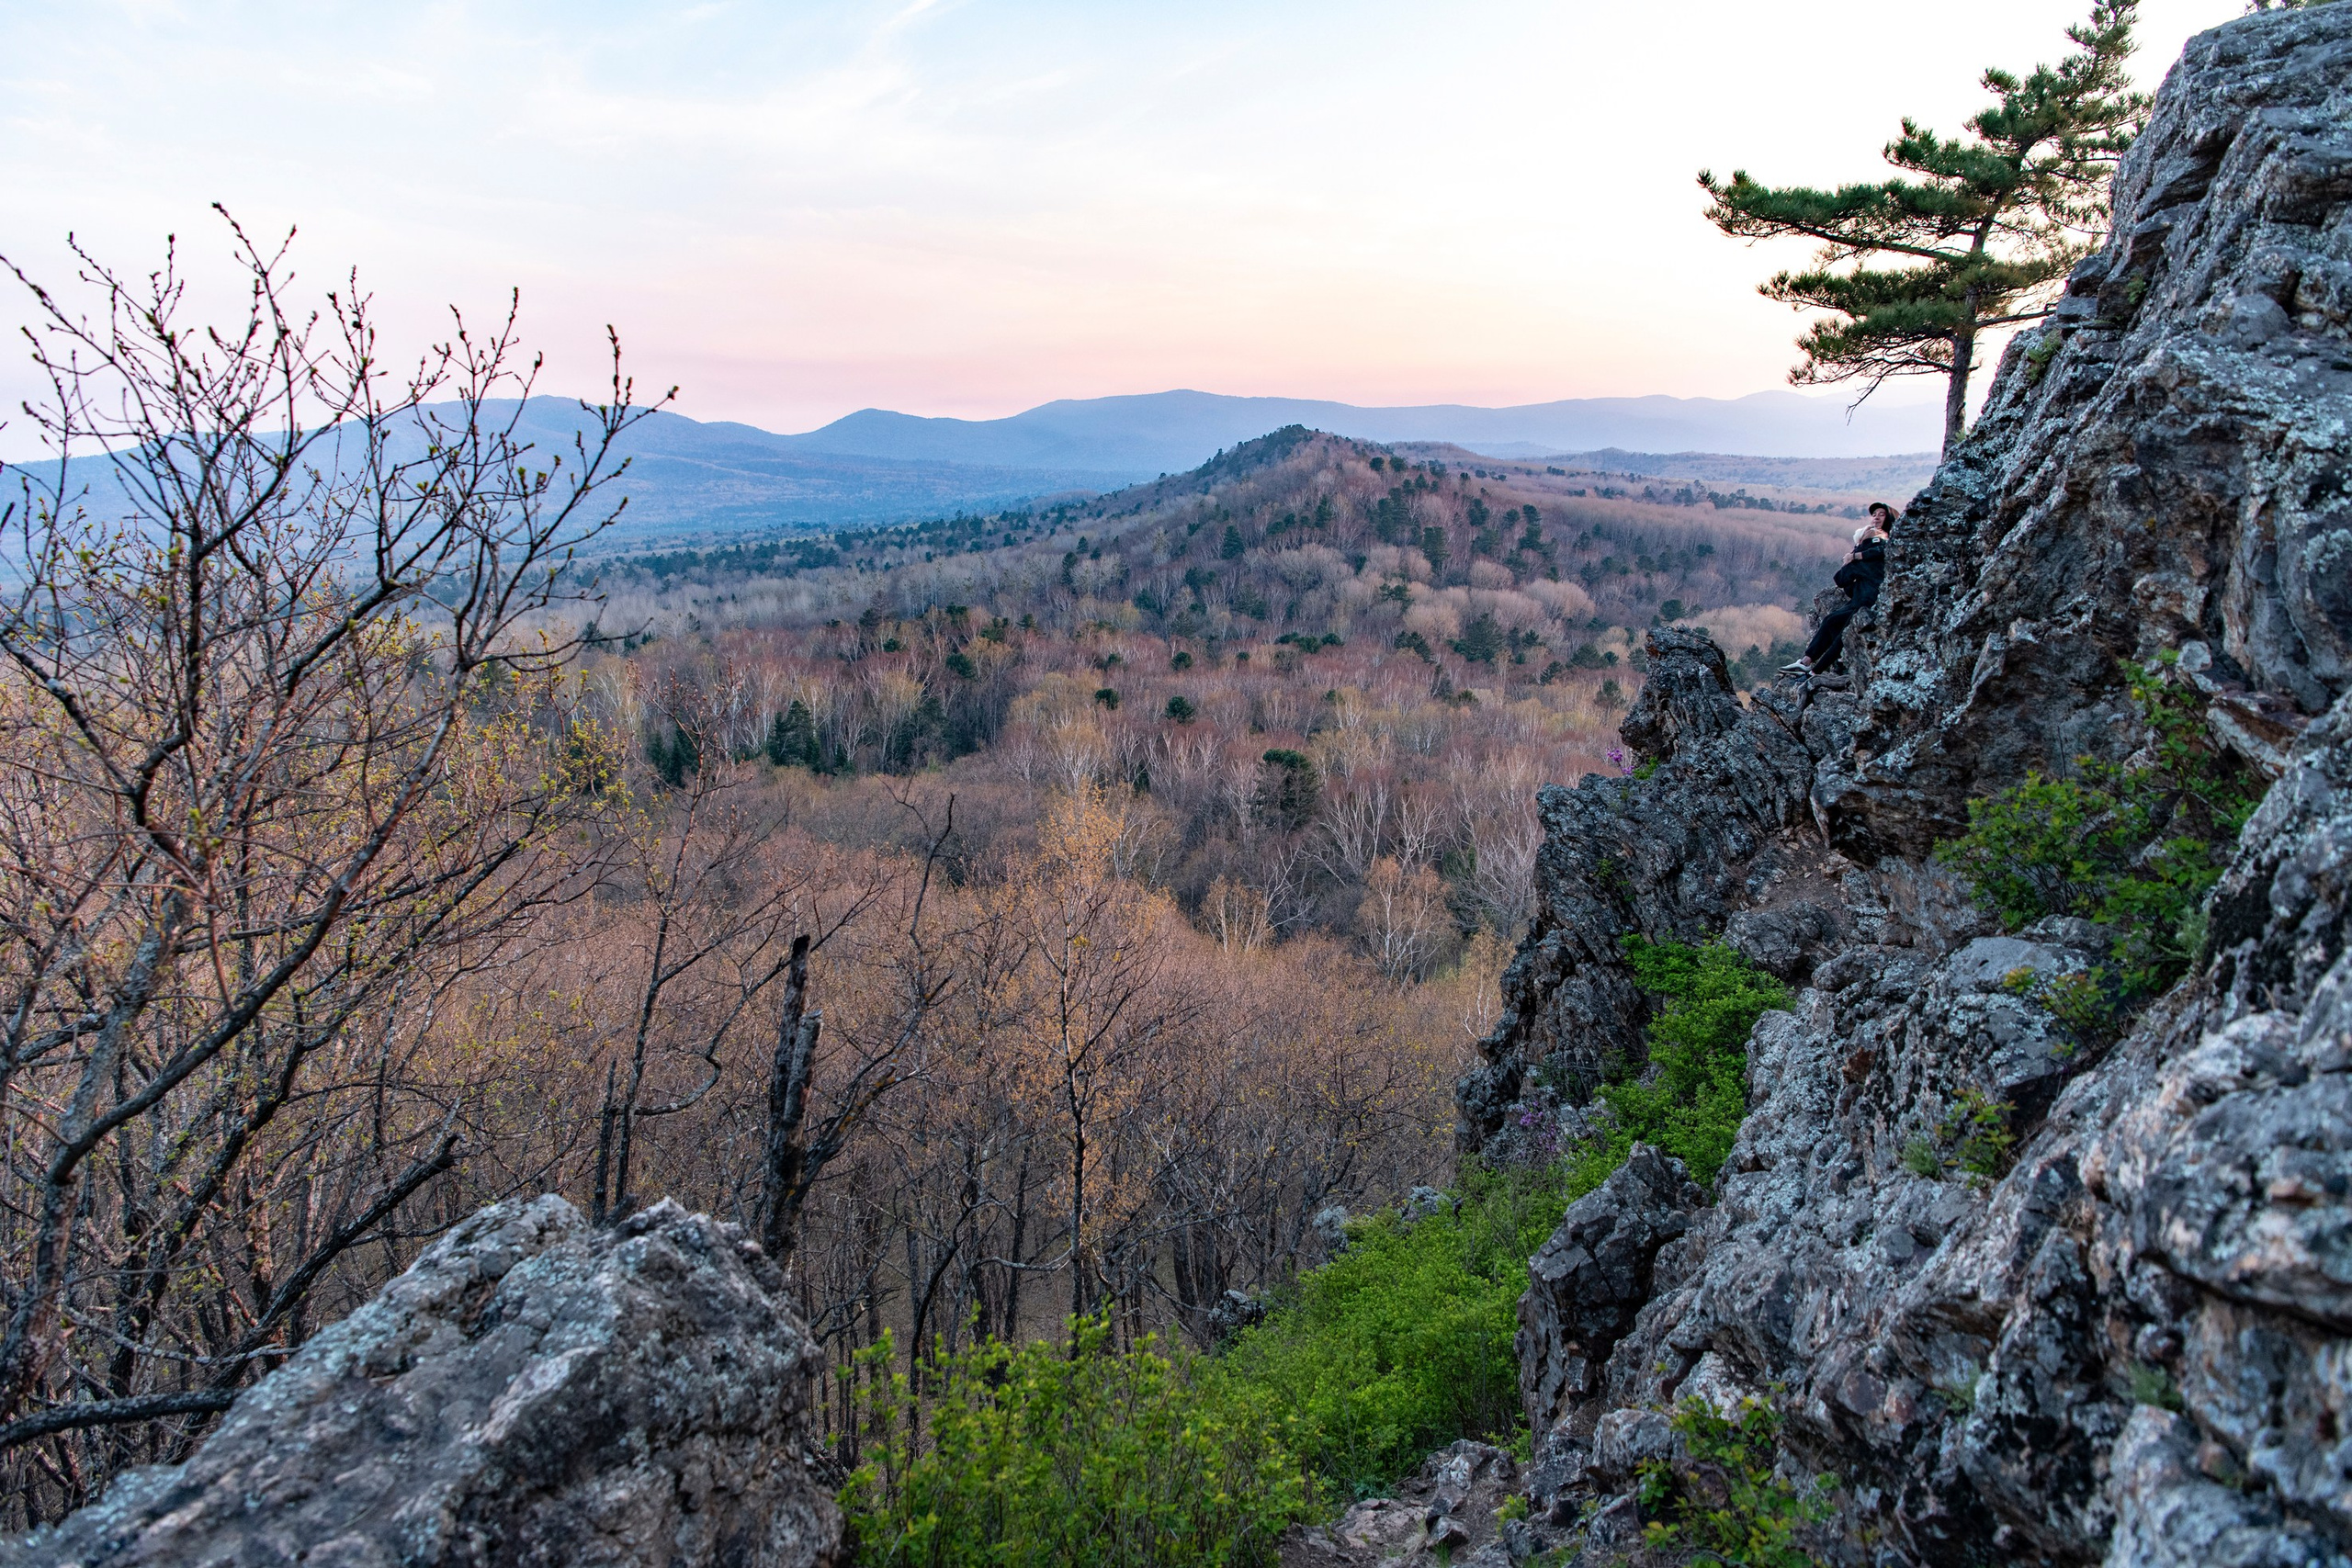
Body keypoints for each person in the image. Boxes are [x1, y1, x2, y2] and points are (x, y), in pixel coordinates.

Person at [1783, 502, 1896, 676]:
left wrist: (1856, 556)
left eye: (1881, 514)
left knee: (1842, 635)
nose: (1876, 517)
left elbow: (1842, 578)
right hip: (1861, 599)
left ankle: (1813, 671)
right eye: (1874, 514)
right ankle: (1807, 663)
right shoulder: (1872, 552)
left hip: (1869, 601)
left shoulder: (1882, 545)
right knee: (1832, 622)